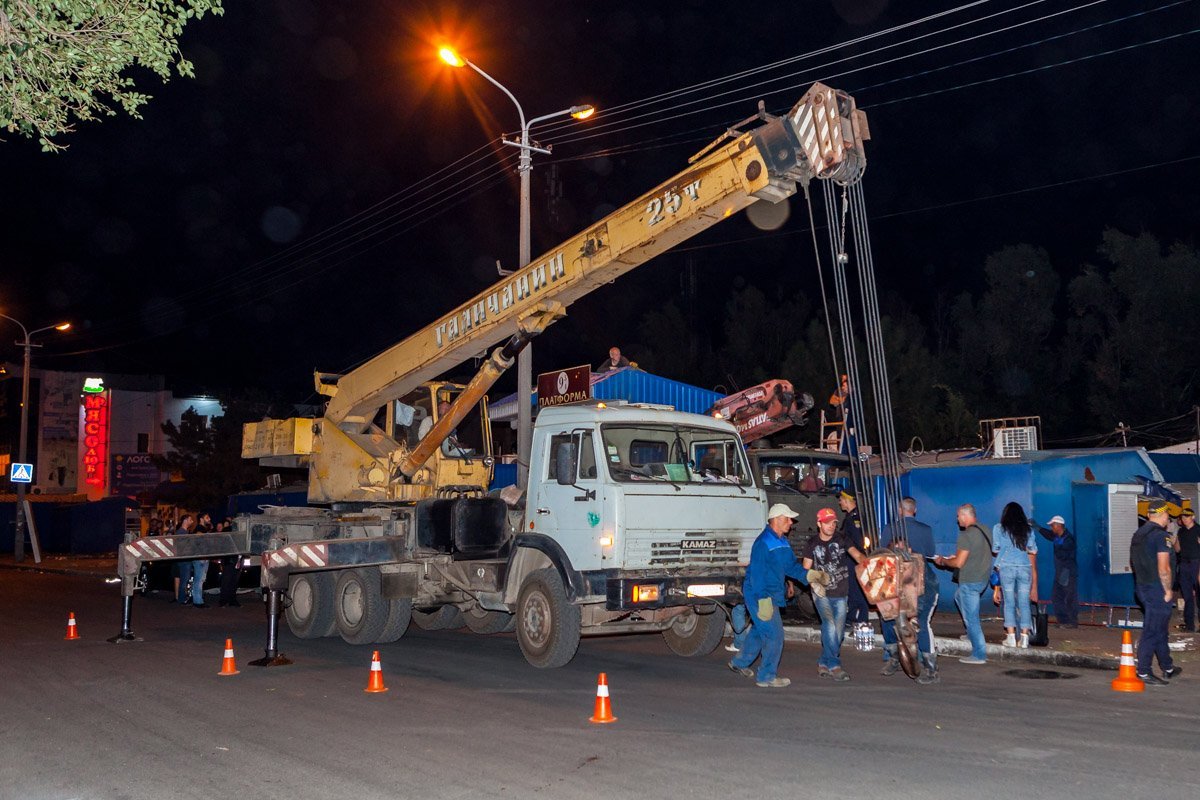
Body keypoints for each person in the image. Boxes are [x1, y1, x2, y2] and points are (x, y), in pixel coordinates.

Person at [728, 504, 813, 688]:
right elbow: (757, 576)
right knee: (774, 635)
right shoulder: (763, 542)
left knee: (760, 631)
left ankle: (739, 663)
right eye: (788, 518)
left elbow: (791, 567)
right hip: (760, 595)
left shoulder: (782, 541)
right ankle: (766, 676)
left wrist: (810, 576)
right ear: (776, 519)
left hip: (770, 593)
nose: (791, 522)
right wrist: (763, 601)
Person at [879, 497, 940, 684]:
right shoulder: (926, 530)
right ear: (915, 510)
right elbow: (930, 553)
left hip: (908, 583)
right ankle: (921, 665)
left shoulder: (890, 528)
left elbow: (881, 553)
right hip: (911, 583)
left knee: (896, 619)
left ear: (899, 510)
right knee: (911, 620)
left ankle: (901, 659)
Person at [801, 507, 865, 681]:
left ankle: (823, 661)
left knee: (838, 632)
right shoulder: (812, 544)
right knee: (829, 625)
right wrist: (810, 582)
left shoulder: (843, 539)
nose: (831, 526)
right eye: (827, 523)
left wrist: (870, 564)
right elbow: (805, 569)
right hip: (821, 593)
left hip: (841, 592)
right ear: (819, 524)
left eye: (834, 523)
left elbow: (857, 555)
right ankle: (834, 666)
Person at [933, 504, 992, 664]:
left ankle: (979, 654)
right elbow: (975, 554)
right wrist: (956, 556)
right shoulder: (985, 530)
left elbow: (958, 563)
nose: (957, 519)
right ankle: (970, 633)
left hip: (970, 581)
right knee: (958, 597)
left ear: (965, 516)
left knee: (973, 618)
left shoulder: (966, 535)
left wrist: (944, 561)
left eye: (958, 516)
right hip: (982, 579)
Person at [1131, 501, 1181, 685]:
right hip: (1157, 589)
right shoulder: (1161, 536)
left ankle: (1167, 667)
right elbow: (1164, 567)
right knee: (1152, 630)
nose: (1169, 518)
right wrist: (1168, 590)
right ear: (1162, 515)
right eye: (1168, 515)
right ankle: (1143, 671)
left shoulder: (1139, 534)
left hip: (1142, 586)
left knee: (1160, 629)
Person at [991, 502, 1039, 648]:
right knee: (1024, 603)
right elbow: (1033, 550)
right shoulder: (1028, 530)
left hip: (1007, 568)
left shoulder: (999, 528)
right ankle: (1024, 638)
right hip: (1025, 567)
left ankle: (1011, 637)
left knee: (1010, 602)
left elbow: (995, 549)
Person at [1034, 514, 1078, 627]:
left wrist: (1058, 544)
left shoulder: (1068, 539)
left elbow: (1064, 554)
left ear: (1058, 525)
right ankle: (1063, 621)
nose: (1051, 528)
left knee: (1069, 597)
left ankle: (1071, 622)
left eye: (1052, 526)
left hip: (1067, 572)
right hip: (1060, 572)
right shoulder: (1058, 537)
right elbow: (1048, 535)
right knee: (1057, 597)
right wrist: (1037, 527)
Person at [838, 489, 870, 626]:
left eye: (840, 499)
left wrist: (858, 558)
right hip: (853, 559)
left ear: (846, 500)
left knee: (857, 589)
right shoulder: (852, 517)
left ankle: (859, 619)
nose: (839, 502)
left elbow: (858, 541)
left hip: (855, 560)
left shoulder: (854, 519)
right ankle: (851, 617)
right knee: (853, 589)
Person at [1174, 507, 1199, 633]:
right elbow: (1177, 549)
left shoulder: (1198, 530)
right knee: (1187, 595)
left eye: (1187, 516)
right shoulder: (1181, 531)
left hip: (1196, 563)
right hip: (1184, 564)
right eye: (1183, 517)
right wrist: (1174, 542)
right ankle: (1189, 625)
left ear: (1192, 517)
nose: (1184, 519)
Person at [189, 512, 213, 609]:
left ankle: (199, 600)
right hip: (200, 558)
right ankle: (197, 601)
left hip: (203, 558)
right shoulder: (199, 529)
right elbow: (200, 541)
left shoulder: (203, 529)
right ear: (201, 519)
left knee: (201, 579)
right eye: (207, 517)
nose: (209, 519)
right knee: (199, 580)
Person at [217, 518, 242, 608]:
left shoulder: (235, 531)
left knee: (233, 581)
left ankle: (230, 600)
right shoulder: (228, 531)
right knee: (227, 581)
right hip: (229, 559)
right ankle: (224, 600)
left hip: (233, 558)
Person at [173, 514, 196, 605]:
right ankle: (182, 599)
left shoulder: (184, 532)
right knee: (184, 579)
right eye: (190, 519)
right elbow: (182, 547)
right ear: (185, 520)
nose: (192, 521)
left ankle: (181, 598)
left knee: (185, 579)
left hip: (185, 559)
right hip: (184, 560)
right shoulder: (181, 533)